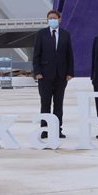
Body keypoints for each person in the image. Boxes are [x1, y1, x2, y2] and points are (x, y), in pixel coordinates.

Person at [32, 9, 74, 138]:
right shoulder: (41, 34)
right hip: (44, 76)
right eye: (50, 18)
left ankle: (57, 129)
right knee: (45, 103)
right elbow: (36, 55)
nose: (52, 20)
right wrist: (37, 72)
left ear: (59, 19)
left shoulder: (66, 35)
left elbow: (69, 55)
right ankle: (45, 129)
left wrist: (70, 72)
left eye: (54, 18)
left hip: (61, 76)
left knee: (58, 103)